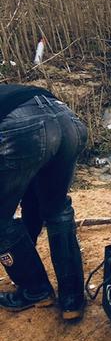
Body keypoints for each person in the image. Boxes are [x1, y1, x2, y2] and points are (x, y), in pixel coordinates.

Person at [0, 83, 87, 320]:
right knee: (56, 209)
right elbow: (29, 196)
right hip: (67, 120)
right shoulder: (10, 92)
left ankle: (35, 289)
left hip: (25, 129)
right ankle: (72, 300)